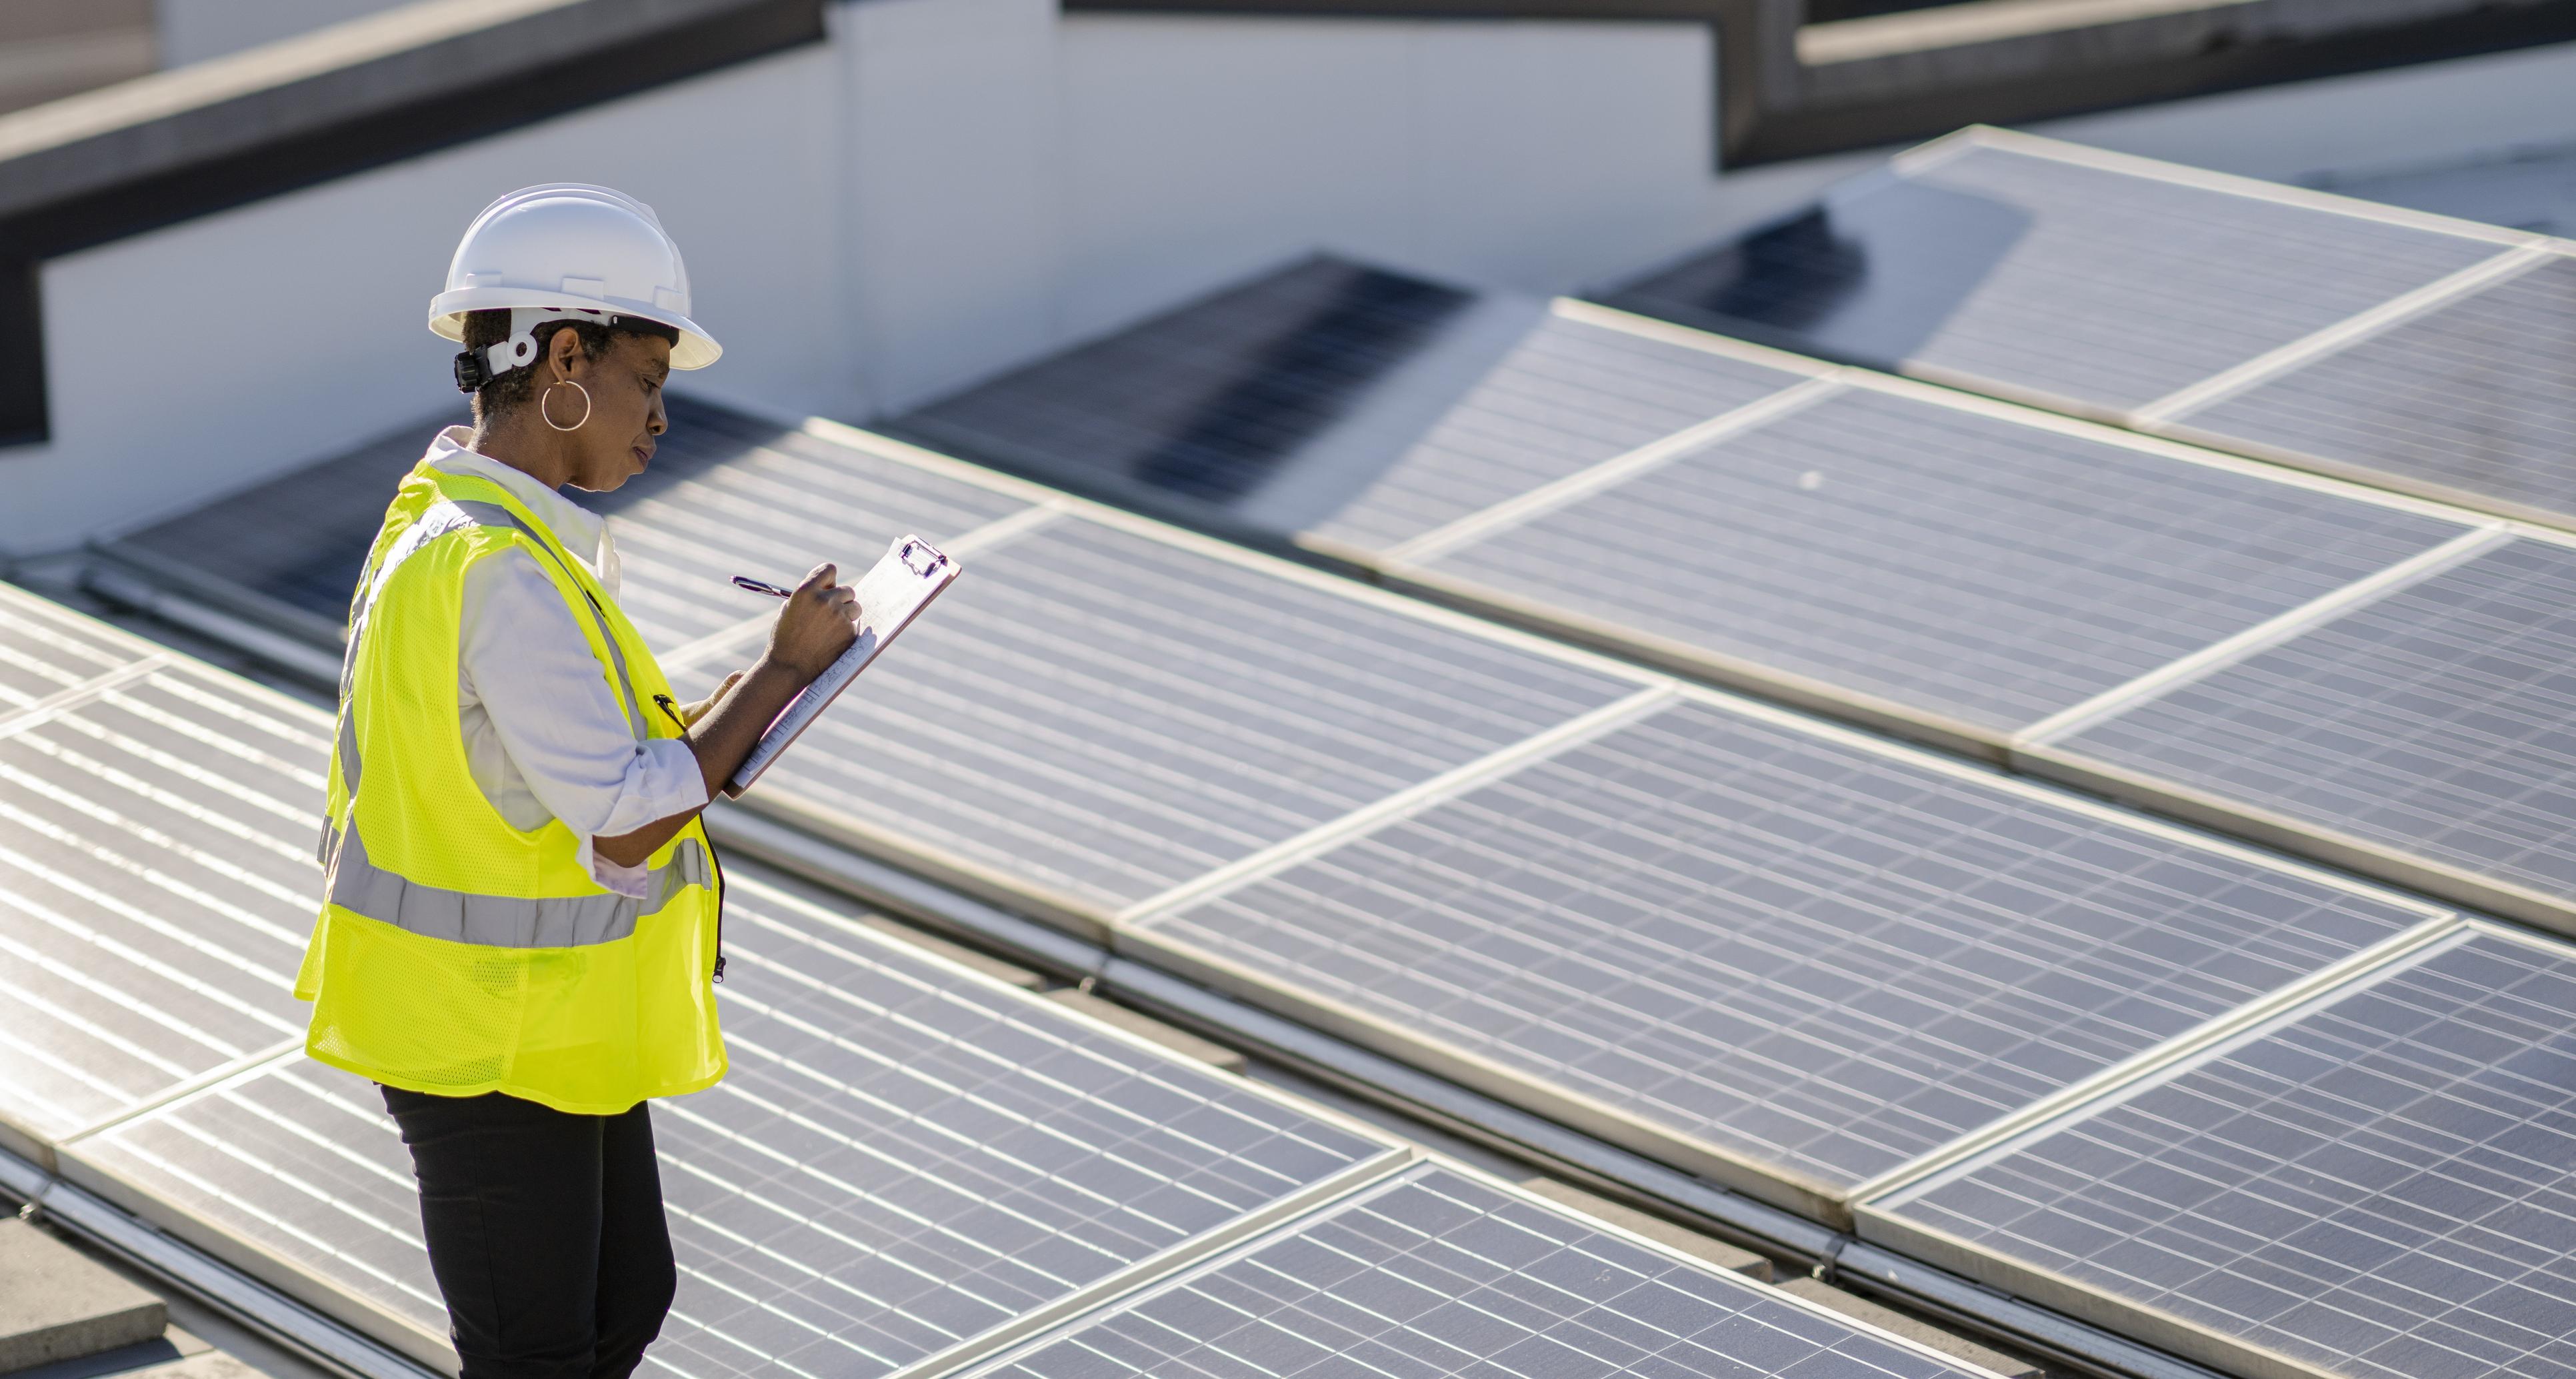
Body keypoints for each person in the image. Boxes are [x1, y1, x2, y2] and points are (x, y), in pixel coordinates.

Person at [291, 185, 857, 1379]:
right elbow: (628, 814)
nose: (660, 421)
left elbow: (608, 784)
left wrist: (751, 711)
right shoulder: (497, 565)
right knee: (540, 1353)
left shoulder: (468, 527)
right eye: (648, 383)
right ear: (563, 356)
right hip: (480, 1037)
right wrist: (780, 670)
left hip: (536, 1021)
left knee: (619, 1307)